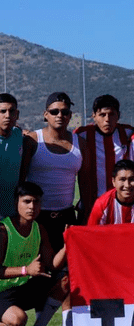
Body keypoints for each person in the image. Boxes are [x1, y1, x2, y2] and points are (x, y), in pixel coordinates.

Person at [22, 92, 89, 251]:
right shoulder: (32, 140)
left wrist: (84, 215)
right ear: (46, 115)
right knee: (39, 269)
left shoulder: (81, 144)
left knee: (66, 270)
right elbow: (20, 180)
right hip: (36, 217)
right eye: (54, 111)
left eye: (65, 112)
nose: (60, 115)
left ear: (70, 115)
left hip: (67, 217)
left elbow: (85, 183)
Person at [0, 182, 65, 326]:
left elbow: (52, 265)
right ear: (16, 203)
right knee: (17, 321)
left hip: (22, 288)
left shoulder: (39, 228)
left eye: (36, 202)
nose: (32, 206)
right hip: (2, 292)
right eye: (27, 201)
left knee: (64, 280)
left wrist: (67, 246)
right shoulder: (3, 231)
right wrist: (25, 270)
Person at [75, 94, 134, 221]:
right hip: (91, 205)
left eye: (112, 114)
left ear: (118, 116)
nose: (107, 119)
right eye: (102, 115)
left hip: (120, 206)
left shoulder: (128, 132)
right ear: (94, 116)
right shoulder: (82, 134)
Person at [87, 159, 134, 225]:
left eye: (132, 179)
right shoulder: (102, 204)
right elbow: (92, 234)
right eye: (122, 180)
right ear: (113, 181)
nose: (127, 185)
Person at [0, 94, 25, 219]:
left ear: (17, 114)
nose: (7, 115)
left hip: (13, 212)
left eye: (11, 111)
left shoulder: (18, 135)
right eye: (2, 111)